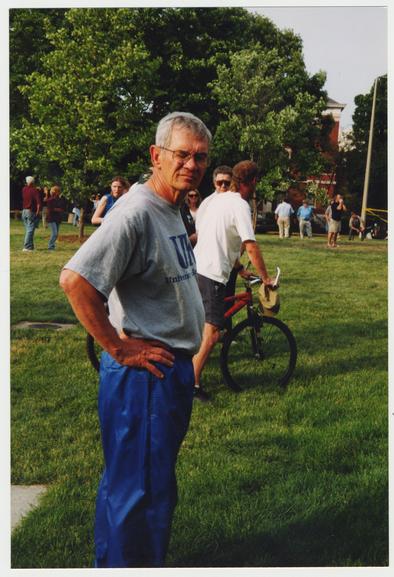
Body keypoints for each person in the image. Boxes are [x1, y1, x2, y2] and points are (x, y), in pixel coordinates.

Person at [59, 111, 211, 568]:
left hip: (168, 372)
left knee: (137, 484)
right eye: (182, 154)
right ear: (156, 155)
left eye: (200, 157)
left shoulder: (171, 205)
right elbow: (75, 281)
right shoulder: (136, 212)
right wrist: (118, 346)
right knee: (140, 494)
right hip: (145, 376)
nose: (192, 164)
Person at [193, 160, 275, 402]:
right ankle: (193, 384)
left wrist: (238, 269)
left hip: (197, 267)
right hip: (213, 273)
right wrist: (265, 277)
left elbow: (217, 237)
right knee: (212, 331)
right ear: (251, 182)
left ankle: (185, 371)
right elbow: (250, 245)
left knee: (200, 328)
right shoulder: (239, 204)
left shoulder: (213, 199)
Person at [21, 175, 42, 252]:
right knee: (30, 230)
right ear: (33, 182)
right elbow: (38, 202)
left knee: (28, 229)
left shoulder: (24, 189)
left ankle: (30, 247)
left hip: (24, 211)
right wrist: (38, 211)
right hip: (31, 211)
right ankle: (26, 247)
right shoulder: (34, 190)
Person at [46, 185, 64, 250]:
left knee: (56, 234)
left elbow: (62, 208)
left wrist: (58, 209)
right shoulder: (50, 200)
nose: (59, 193)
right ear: (54, 192)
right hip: (51, 218)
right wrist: (58, 209)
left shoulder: (60, 200)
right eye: (58, 191)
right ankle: (50, 246)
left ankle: (52, 246)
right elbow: (50, 209)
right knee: (54, 233)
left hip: (57, 218)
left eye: (59, 191)